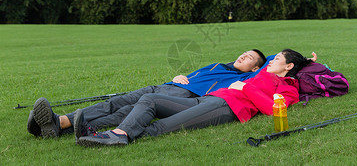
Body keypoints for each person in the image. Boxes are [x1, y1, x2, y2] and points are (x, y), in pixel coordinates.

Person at [76, 49, 313, 147]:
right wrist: (305, 61)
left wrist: (245, 88)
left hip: (225, 107)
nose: (272, 60)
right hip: (207, 99)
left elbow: (272, 109)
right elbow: (267, 55)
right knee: (150, 100)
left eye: (278, 60)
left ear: (289, 66)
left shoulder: (289, 87)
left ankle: (117, 136)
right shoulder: (262, 73)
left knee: (161, 127)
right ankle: (115, 133)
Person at [28, 49, 267, 138]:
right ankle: (58, 124)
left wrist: (304, 60)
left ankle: (59, 123)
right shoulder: (217, 66)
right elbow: (194, 75)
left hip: (183, 97)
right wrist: (176, 77)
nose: (243, 56)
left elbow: (274, 63)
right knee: (117, 102)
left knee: (126, 111)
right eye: (244, 53)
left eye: (250, 58)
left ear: (255, 67)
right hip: (167, 86)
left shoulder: (246, 77)